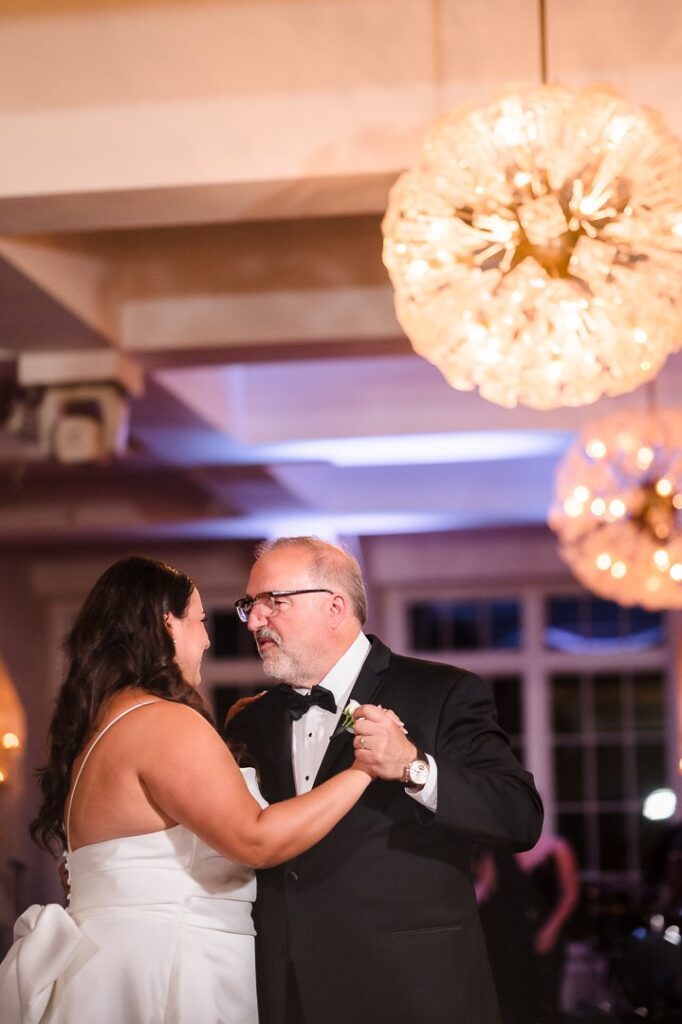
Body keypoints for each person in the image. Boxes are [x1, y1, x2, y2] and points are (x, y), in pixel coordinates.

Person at [0, 555, 378, 1024]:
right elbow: (256, 839)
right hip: (167, 970)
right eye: (198, 621)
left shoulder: (107, 720)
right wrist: (364, 768)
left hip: (114, 967)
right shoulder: (163, 721)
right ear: (167, 623)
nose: (207, 638)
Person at [226, 536, 544, 1024]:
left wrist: (415, 767)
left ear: (335, 607)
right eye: (249, 605)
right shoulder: (250, 722)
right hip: (287, 994)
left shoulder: (442, 692)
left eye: (273, 601)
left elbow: (519, 816)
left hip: (411, 989)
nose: (255, 620)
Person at [475, 832, 580, 1023]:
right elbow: (484, 888)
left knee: (543, 1001)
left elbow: (571, 892)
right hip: (507, 937)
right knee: (511, 1002)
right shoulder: (497, 850)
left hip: (545, 932)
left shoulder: (557, 848)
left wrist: (551, 929)